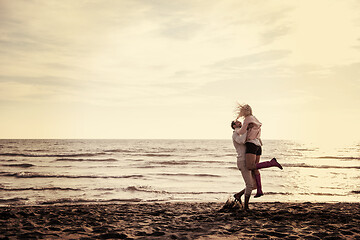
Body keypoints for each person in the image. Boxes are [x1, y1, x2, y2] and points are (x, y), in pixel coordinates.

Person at [235, 104, 283, 198]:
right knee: (255, 168)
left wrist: (236, 130)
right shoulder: (254, 118)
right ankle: (259, 190)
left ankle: (271, 163)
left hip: (251, 144)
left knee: (250, 166)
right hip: (258, 145)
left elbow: (241, 132)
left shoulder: (248, 119)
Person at [231, 120, 256, 210]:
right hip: (242, 161)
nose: (239, 122)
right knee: (249, 185)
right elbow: (241, 141)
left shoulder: (241, 133)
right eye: (237, 122)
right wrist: (245, 129)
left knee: (255, 185)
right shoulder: (235, 134)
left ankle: (238, 195)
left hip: (249, 160)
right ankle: (246, 207)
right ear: (234, 126)